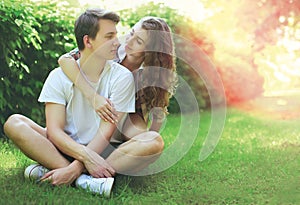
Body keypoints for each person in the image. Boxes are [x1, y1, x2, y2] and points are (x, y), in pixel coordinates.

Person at [2, 8, 154, 197]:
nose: (118, 42)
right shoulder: (59, 76)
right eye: (109, 36)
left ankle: (61, 172)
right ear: (87, 41)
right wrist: (83, 157)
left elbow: (106, 132)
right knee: (14, 122)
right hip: (63, 146)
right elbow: (54, 131)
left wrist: (76, 166)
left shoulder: (122, 77)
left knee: (153, 140)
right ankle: (85, 180)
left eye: (116, 34)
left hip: (100, 149)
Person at [58, 17, 178, 174]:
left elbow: (158, 109)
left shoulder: (153, 73)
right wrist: (93, 97)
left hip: (126, 115)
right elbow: (65, 59)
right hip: (97, 106)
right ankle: (89, 164)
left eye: (139, 41)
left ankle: (93, 168)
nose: (129, 41)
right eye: (132, 33)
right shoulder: (112, 47)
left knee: (148, 139)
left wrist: (149, 151)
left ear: (150, 52)